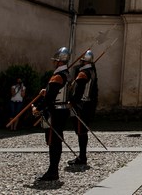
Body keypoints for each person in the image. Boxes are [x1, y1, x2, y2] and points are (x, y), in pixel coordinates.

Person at [33, 47, 71, 182]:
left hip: (55, 111)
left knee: (53, 142)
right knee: (56, 140)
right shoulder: (66, 74)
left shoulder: (58, 76)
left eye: (55, 61)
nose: (53, 63)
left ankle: (53, 171)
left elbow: (50, 98)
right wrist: (47, 90)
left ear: (59, 62)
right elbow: (56, 91)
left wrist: (38, 108)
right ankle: (52, 170)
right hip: (62, 110)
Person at [69, 49, 99, 166]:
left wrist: (72, 101)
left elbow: (78, 91)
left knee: (81, 132)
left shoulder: (83, 73)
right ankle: (82, 156)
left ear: (84, 62)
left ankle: (82, 157)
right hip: (87, 105)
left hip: (81, 105)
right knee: (82, 132)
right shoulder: (92, 72)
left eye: (81, 61)